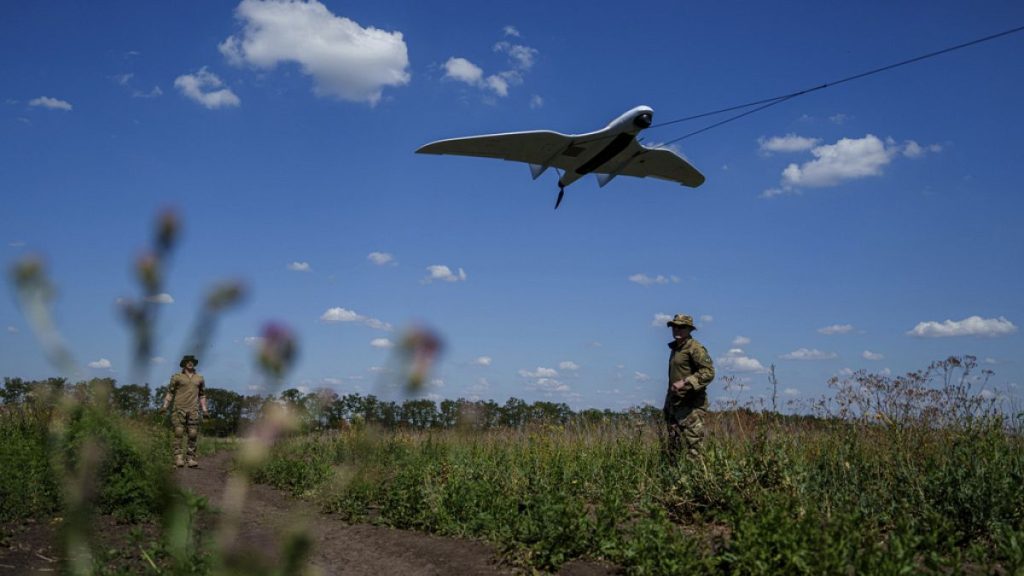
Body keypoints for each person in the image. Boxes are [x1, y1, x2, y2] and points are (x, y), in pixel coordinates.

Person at [663, 314, 714, 461]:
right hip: (675, 404)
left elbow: (709, 372)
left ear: (689, 329)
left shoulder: (695, 348)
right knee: (674, 446)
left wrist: (685, 382)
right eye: (674, 326)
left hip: (691, 406)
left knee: (694, 446)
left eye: (682, 327)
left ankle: (699, 480)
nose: (677, 330)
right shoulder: (676, 348)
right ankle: (676, 479)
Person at [162, 354, 208, 468]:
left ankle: (190, 458)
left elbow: (202, 395)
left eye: (192, 361)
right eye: (187, 361)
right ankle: (178, 458)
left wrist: (205, 410)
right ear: (184, 363)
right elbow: (170, 392)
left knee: (193, 434)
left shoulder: (200, 378)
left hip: (193, 409)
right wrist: (165, 406)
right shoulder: (177, 377)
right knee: (178, 432)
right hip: (179, 409)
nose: (190, 363)